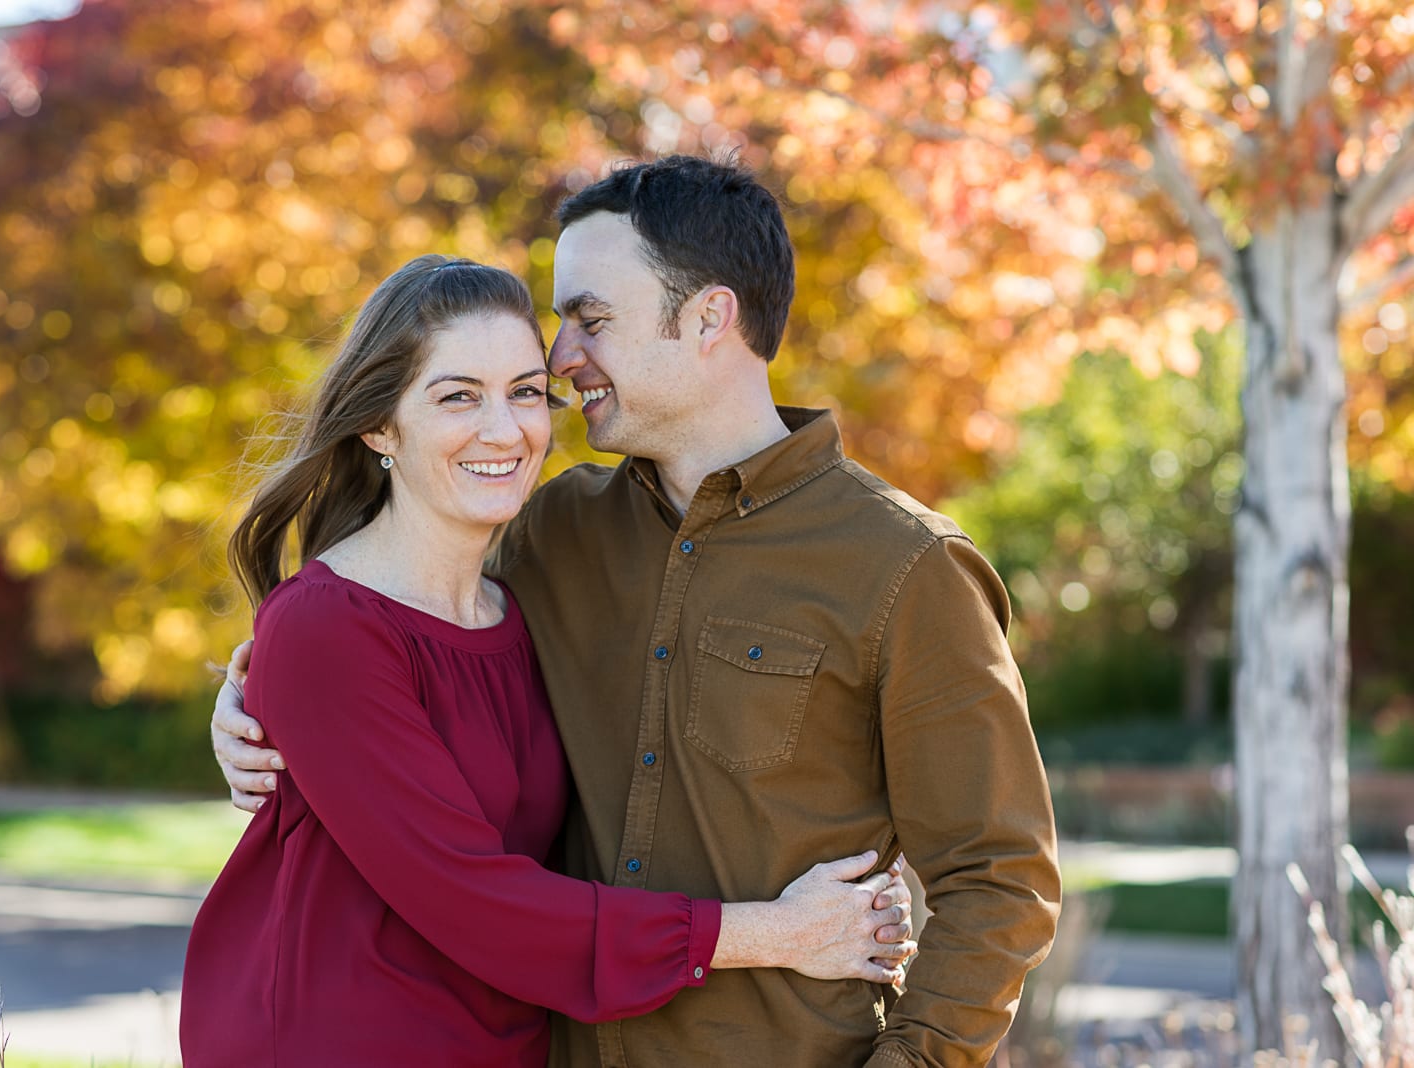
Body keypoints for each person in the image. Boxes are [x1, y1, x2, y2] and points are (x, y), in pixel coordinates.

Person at [214, 156, 1062, 1066]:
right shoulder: (555, 530)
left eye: (592, 318)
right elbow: (394, 631)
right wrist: (254, 704)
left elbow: (998, 882)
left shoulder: (905, 566)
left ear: (708, 317)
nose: (561, 358)